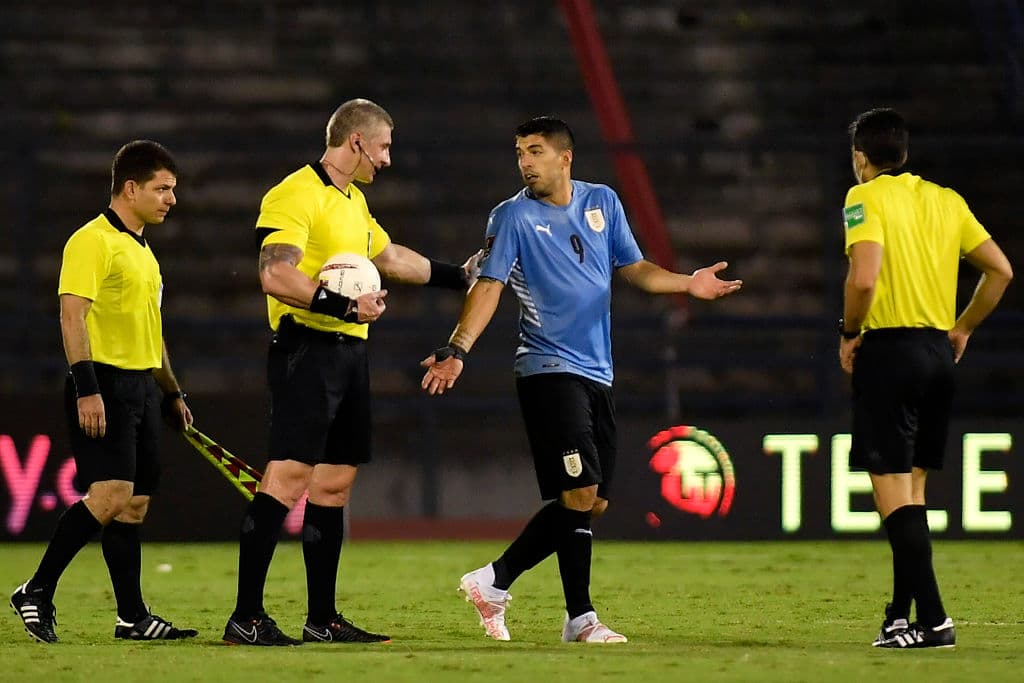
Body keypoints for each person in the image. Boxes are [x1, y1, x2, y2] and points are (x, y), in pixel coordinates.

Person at [420, 116, 742, 643]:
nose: (525, 160)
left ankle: (495, 580)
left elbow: (635, 269)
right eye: (520, 151)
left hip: (598, 370)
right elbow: (489, 285)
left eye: (536, 150)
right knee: (580, 490)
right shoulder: (511, 217)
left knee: (593, 502)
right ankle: (580, 619)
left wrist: (689, 283)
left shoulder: (603, 202)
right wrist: (458, 349)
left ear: (564, 158)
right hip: (547, 369)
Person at [223, 98, 481, 646]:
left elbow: (390, 259)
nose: (387, 159)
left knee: (334, 485)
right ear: (357, 141)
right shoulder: (294, 193)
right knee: (288, 477)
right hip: (306, 348)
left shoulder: (354, 203)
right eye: (383, 147)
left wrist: (458, 275)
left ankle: (323, 620)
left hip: (348, 352)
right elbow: (274, 274)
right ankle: (245, 616)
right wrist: (342, 307)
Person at [10, 140, 198, 643]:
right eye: (162, 189)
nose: (171, 200)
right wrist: (86, 388)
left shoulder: (143, 251)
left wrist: (172, 393)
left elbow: (153, 334)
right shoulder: (90, 241)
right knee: (109, 495)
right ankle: (36, 590)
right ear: (130, 188)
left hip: (141, 387)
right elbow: (73, 317)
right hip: (105, 384)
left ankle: (132, 618)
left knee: (134, 504)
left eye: (173, 190)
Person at [838, 108, 1013, 649]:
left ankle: (934, 619)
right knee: (913, 492)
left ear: (861, 158)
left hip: (889, 352)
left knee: (893, 496)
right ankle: (898, 616)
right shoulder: (947, 200)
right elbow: (1001, 270)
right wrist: (962, 329)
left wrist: (848, 332)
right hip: (939, 354)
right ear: (905, 155)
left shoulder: (863, 198)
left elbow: (864, 279)